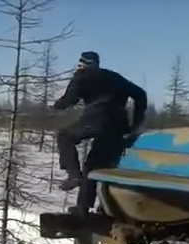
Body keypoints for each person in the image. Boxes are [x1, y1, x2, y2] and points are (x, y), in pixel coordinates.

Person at [53, 51, 147, 216]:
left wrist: (56, 105)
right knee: (94, 165)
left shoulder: (82, 76)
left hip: (96, 119)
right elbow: (141, 95)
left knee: (64, 136)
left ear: (83, 64)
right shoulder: (115, 77)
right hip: (118, 125)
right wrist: (135, 124)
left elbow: (68, 101)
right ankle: (84, 208)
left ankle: (74, 175)